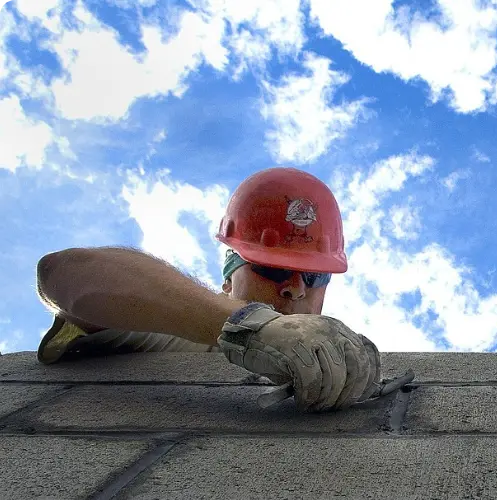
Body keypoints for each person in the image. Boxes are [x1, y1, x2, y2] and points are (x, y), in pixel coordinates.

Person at [34, 167, 399, 413]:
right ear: (228, 279)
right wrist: (250, 325)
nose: (295, 289)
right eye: (272, 269)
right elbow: (62, 273)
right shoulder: (168, 331)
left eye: (315, 277)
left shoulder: (336, 373)